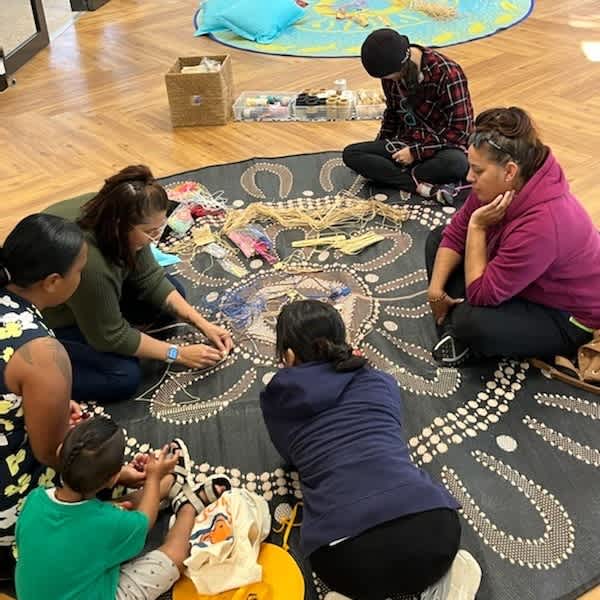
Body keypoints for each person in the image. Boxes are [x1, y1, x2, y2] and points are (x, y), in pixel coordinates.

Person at [260, 300, 481, 600]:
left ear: (288, 355)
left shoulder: (279, 397)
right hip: (434, 532)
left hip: (345, 560)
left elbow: (290, 457)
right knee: (446, 560)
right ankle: (441, 587)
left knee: (359, 576)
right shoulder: (381, 381)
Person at [43, 165, 233, 403]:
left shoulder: (117, 207)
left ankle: (111, 315)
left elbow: (150, 277)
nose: (155, 237)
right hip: (53, 318)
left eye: (159, 229)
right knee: (124, 377)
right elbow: (108, 336)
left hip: (92, 292)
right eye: (150, 232)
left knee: (174, 295)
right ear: (120, 225)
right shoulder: (89, 264)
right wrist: (178, 354)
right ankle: (30, 379)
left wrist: (202, 324)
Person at [426, 106, 600, 365]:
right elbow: (453, 234)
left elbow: (481, 295)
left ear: (509, 171)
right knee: (437, 240)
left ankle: (460, 332)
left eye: (477, 170)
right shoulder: (499, 183)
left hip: (566, 315)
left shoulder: (544, 222)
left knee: (471, 321)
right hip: (527, 286)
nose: (468, 177)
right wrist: (436, 292)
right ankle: (458, 330)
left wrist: (477, 227)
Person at [15, 417, 230, 600]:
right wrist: (153, 478)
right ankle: (187, 506)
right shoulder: (106, 523)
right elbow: (145, 522)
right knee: (170, 560)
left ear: (61, 451)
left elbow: (81, 519)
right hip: (92, 587)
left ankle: (168, 486)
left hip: (55, 583)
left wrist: (122, 478)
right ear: (113, 479)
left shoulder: (35, 499)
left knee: (109, 511)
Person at [0, 213, 87, 579]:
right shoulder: (43, 354)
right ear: (53, 281)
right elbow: (51, 454)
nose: (81, 278)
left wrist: (31, 403)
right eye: (79, 271)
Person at [343, 29, 474, 204]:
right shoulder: (390, 73)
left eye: (391, 76)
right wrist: (379, 147)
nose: (391, 81)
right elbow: (393, 114)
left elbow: (460, 132)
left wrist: (416, 152)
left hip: (441, 148)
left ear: (403, 66)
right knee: (351, 154)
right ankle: (422, 187)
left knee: (457, 164)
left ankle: (396, 176)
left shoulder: (448, 73)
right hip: (406, 143)